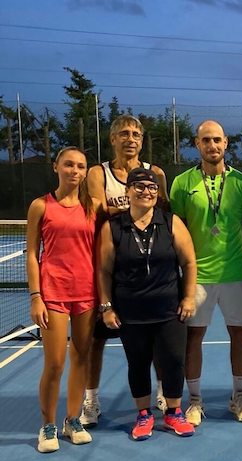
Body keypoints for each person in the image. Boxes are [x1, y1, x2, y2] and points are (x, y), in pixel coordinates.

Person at [97, 167, 197, 440]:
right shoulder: (113, 227)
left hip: (168, 310)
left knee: (174, 360)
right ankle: (143, 415)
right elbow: (104, 271)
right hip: (131, 312)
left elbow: (188, 262)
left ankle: (174, 412)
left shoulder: (171, 222)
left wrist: (188, 297)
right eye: (139, 186)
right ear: (128, 191)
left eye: (151, 187)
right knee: (137, 363)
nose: (146, 191)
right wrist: (106, 307)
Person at [82, 115, 169, 427]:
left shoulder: (155, 172)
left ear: (142, 141)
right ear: (112, 139)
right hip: (111, 270)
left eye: (136, 134)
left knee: (157, 337)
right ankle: (91, 400)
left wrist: (128, 208)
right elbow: (97, 210)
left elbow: (161, 212)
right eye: (124, 133)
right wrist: (135, 207)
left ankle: (161, 391)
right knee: (97, 340)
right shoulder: (98, 173)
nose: (130, 138)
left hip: (147, 272)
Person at [170, 120, 242, 426]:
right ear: (197, 143)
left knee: (239, 334)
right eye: (206, 140)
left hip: (235, 272)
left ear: (226, 142)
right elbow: (176, 230)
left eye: (217, 140)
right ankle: (194, 401)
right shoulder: (181, 183)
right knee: (193, 337)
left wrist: (232, 250)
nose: (212, 145)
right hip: (197, 277)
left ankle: (239, 396)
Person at [26, 147, 102, 453]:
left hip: (87, 294)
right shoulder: (40, 206)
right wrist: (35, 296)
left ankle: (73, 420)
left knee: (81, 358)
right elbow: (32, 254)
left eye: (81, 166)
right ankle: (47, 425)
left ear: (85, 172)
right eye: (68, 164)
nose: (74, 170)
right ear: (56, 166)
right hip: (53, 293)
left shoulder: (94, 206)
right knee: (55, 363)